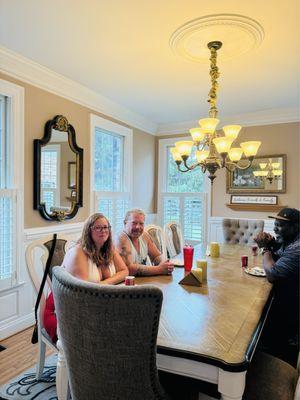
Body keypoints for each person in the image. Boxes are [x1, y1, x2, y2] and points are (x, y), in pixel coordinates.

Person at [44, 213, 128, 343]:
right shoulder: (78, 252)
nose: (103, 231)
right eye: (98, 228)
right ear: (88, 230)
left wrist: (104, 284)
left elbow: (124, 271)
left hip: (91, 303)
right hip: (62, 310)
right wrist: (107, 285)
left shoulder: (109, 248)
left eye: (106, 227)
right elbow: (85, 293)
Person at [254, 207, 300, 366]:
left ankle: (263, 353)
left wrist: (265, 248)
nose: (274, 228)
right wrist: (270, 242)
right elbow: (279, 249)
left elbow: (272, 274)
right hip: (285, 298)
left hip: (291, 313)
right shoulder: (289, 239)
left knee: (254, 311)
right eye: (275, 224)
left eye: (280, 226)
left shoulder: (297, 247)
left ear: (295, 227)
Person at [115, 209, 174, 276]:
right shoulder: (121, 238)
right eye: (134, 223)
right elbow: (129, 269)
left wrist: (165, 264)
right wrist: (159, 269)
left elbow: (157, 256)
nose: (138, 227)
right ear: (125, 223)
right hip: (127, 284)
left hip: (143, 280)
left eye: (141, 223)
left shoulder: (144, 236)